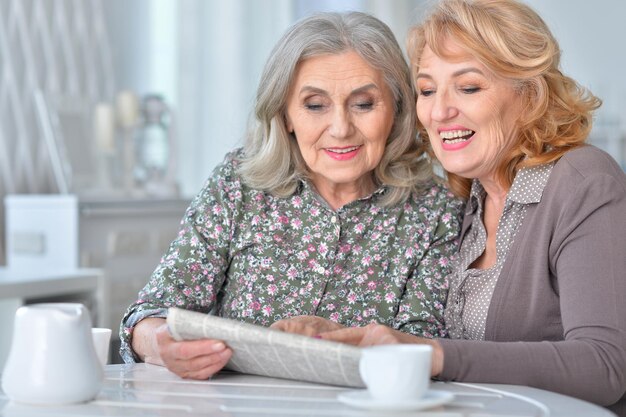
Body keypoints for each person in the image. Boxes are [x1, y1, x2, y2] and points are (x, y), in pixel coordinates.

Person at [119, 11, 463, 381]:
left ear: (396, 109)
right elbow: (150, 313)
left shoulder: (436, 209)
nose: (340, 128)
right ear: (285, 115)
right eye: (315, 105)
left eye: (363, 104)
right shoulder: (238, 183)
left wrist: (328, 336)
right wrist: (162, 345)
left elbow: (423, 345)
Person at [319, 0, 626, 414]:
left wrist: (436, 356)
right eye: (427, 90)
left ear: (529, 94)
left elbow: (604, 366)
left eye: (468, 87)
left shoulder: (584, 181)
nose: (440, 111)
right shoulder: (465, 198)